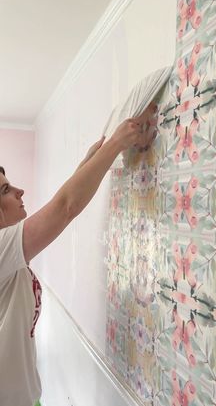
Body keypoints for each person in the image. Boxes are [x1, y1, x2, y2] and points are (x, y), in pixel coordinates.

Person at [0, 117, 154, 406]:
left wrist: (90, 161)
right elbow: (64, 207)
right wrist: (118, 144)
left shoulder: (9, 253)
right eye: (5, 190)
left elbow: (60, 204)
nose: (19, 191)